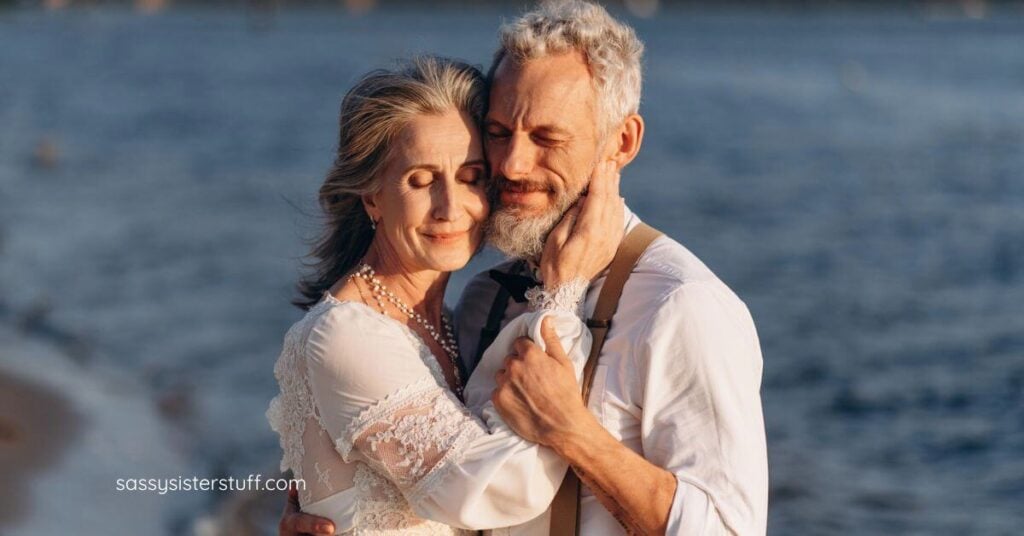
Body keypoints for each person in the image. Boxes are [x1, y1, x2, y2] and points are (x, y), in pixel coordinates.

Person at [280, 1, 769, 534]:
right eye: (497, 131)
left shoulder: (681, 306)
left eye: (546, 138)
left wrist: (575, 434)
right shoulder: (483, 300)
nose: (511, 165)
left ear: (621, 142)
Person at [266, 54, 626, 535]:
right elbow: (495, 488)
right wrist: (562, 293)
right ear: (372, 194)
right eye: (421, 181)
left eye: (471, 177)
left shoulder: (450, 325)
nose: (451, 208)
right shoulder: (345, 335)